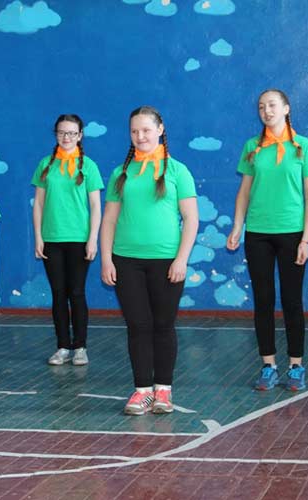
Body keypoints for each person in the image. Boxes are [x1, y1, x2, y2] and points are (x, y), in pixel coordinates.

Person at [101, 106, 199, 415]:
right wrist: (107, 260)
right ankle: (142, 390)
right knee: (137, 325)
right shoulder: (120, 173)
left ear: (160, 129)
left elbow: (191, 219)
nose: (140, 136)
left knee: (163, 325)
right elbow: (109, 221)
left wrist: (181, 260)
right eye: (134, 131)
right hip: (126, 261)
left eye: (146, 130)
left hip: (166, 262)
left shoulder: (178, 171)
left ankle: (163, 390)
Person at [226, 89, 308, 392]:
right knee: (263, 300)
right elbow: (244, 191)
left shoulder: (303, 146)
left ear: (286, 108)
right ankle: (268, 365)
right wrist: (237, 226)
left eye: (272, 105)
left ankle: (296, 365)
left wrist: (305, 239)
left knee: (292, 300)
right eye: (261, 107)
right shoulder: (252, 147)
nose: (266, 111)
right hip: (258, 234)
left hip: (292, 233)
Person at [32, 114, 103, 366]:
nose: (66, 137)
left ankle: (80, 347)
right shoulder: (45, 164)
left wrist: (92, 239)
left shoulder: (89, 166)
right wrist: (38, 237)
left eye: (72, 133)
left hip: (79, 239)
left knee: (77, 292)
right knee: (58, 293)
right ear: (56, 134)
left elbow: (96, 206)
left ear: (80, 136)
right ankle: (62, 346)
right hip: (52, 239)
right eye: (62, 132)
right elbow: (38, 204)